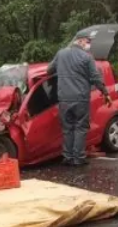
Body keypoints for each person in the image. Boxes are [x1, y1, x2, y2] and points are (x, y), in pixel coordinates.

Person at [47, 36, 112, 166]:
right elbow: (95, 78)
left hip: (64, 99)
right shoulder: (87, 57)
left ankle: (67, 157)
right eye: (88, 42)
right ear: (80, 41)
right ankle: (78, 158)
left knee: (67, 129)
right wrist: (105, 93)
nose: (89, 45)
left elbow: (49, 70)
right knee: (80, 128)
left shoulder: (61, 54)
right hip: (81, 99)